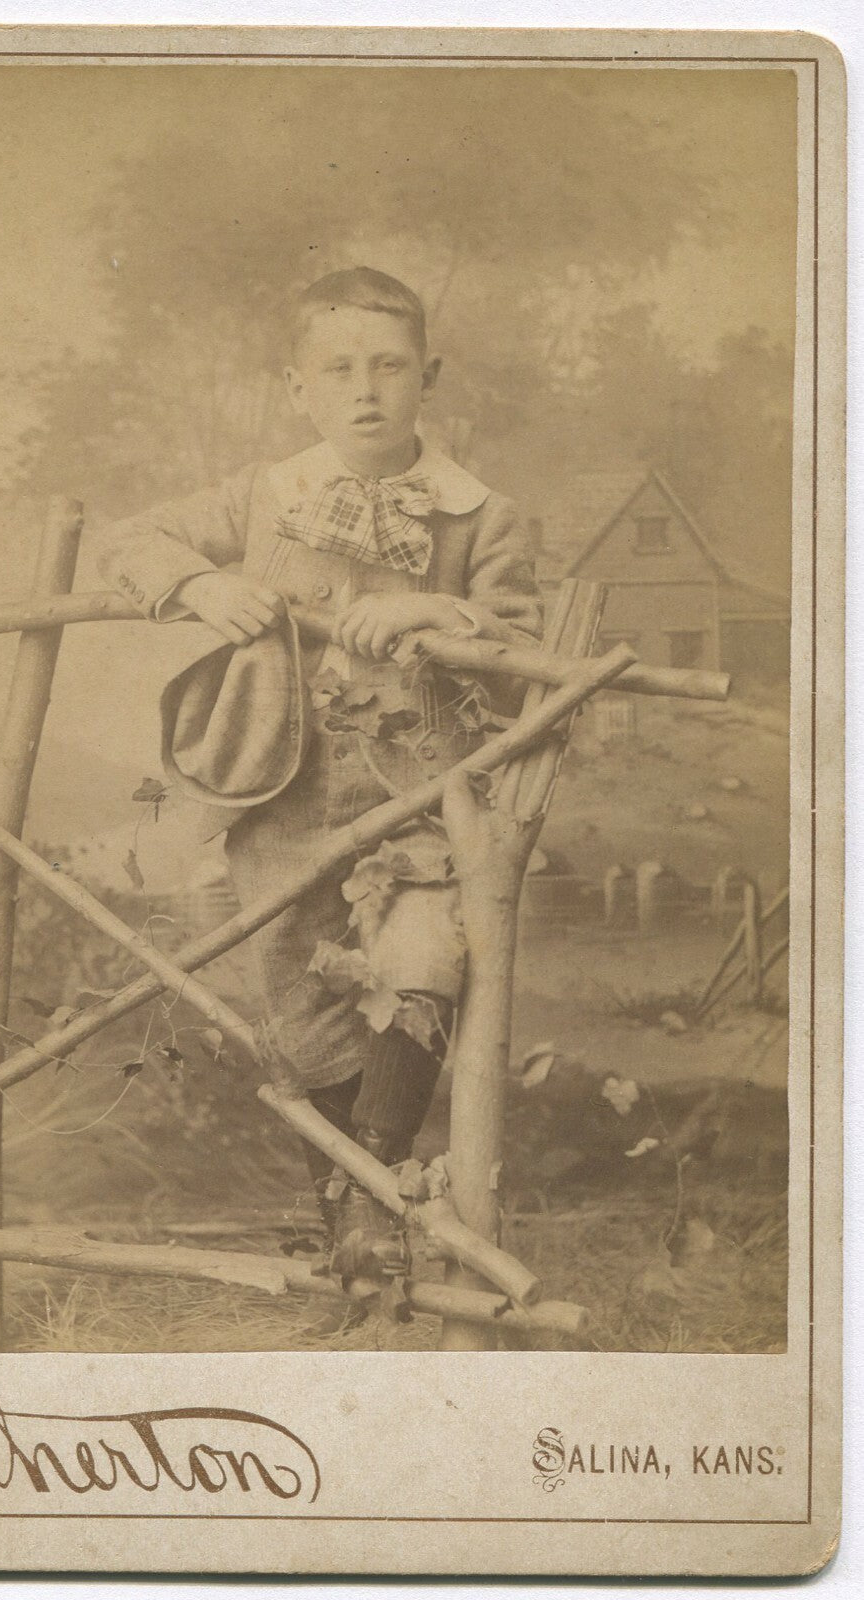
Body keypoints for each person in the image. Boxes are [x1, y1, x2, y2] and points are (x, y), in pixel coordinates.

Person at [100, 266, 541, 1280]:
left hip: (422, 795)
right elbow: (131, 539)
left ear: (429, 376)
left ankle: (372, 1199)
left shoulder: (481, 515)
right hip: (283, 791)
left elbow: (524, 653)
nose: (366, 390)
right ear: (298, 386)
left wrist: (436, 612)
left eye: (389, 366)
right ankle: (351, 1230)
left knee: (424, 961)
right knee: (300, 1014)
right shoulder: (267, 496)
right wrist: (201, 583)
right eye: (338, 369)